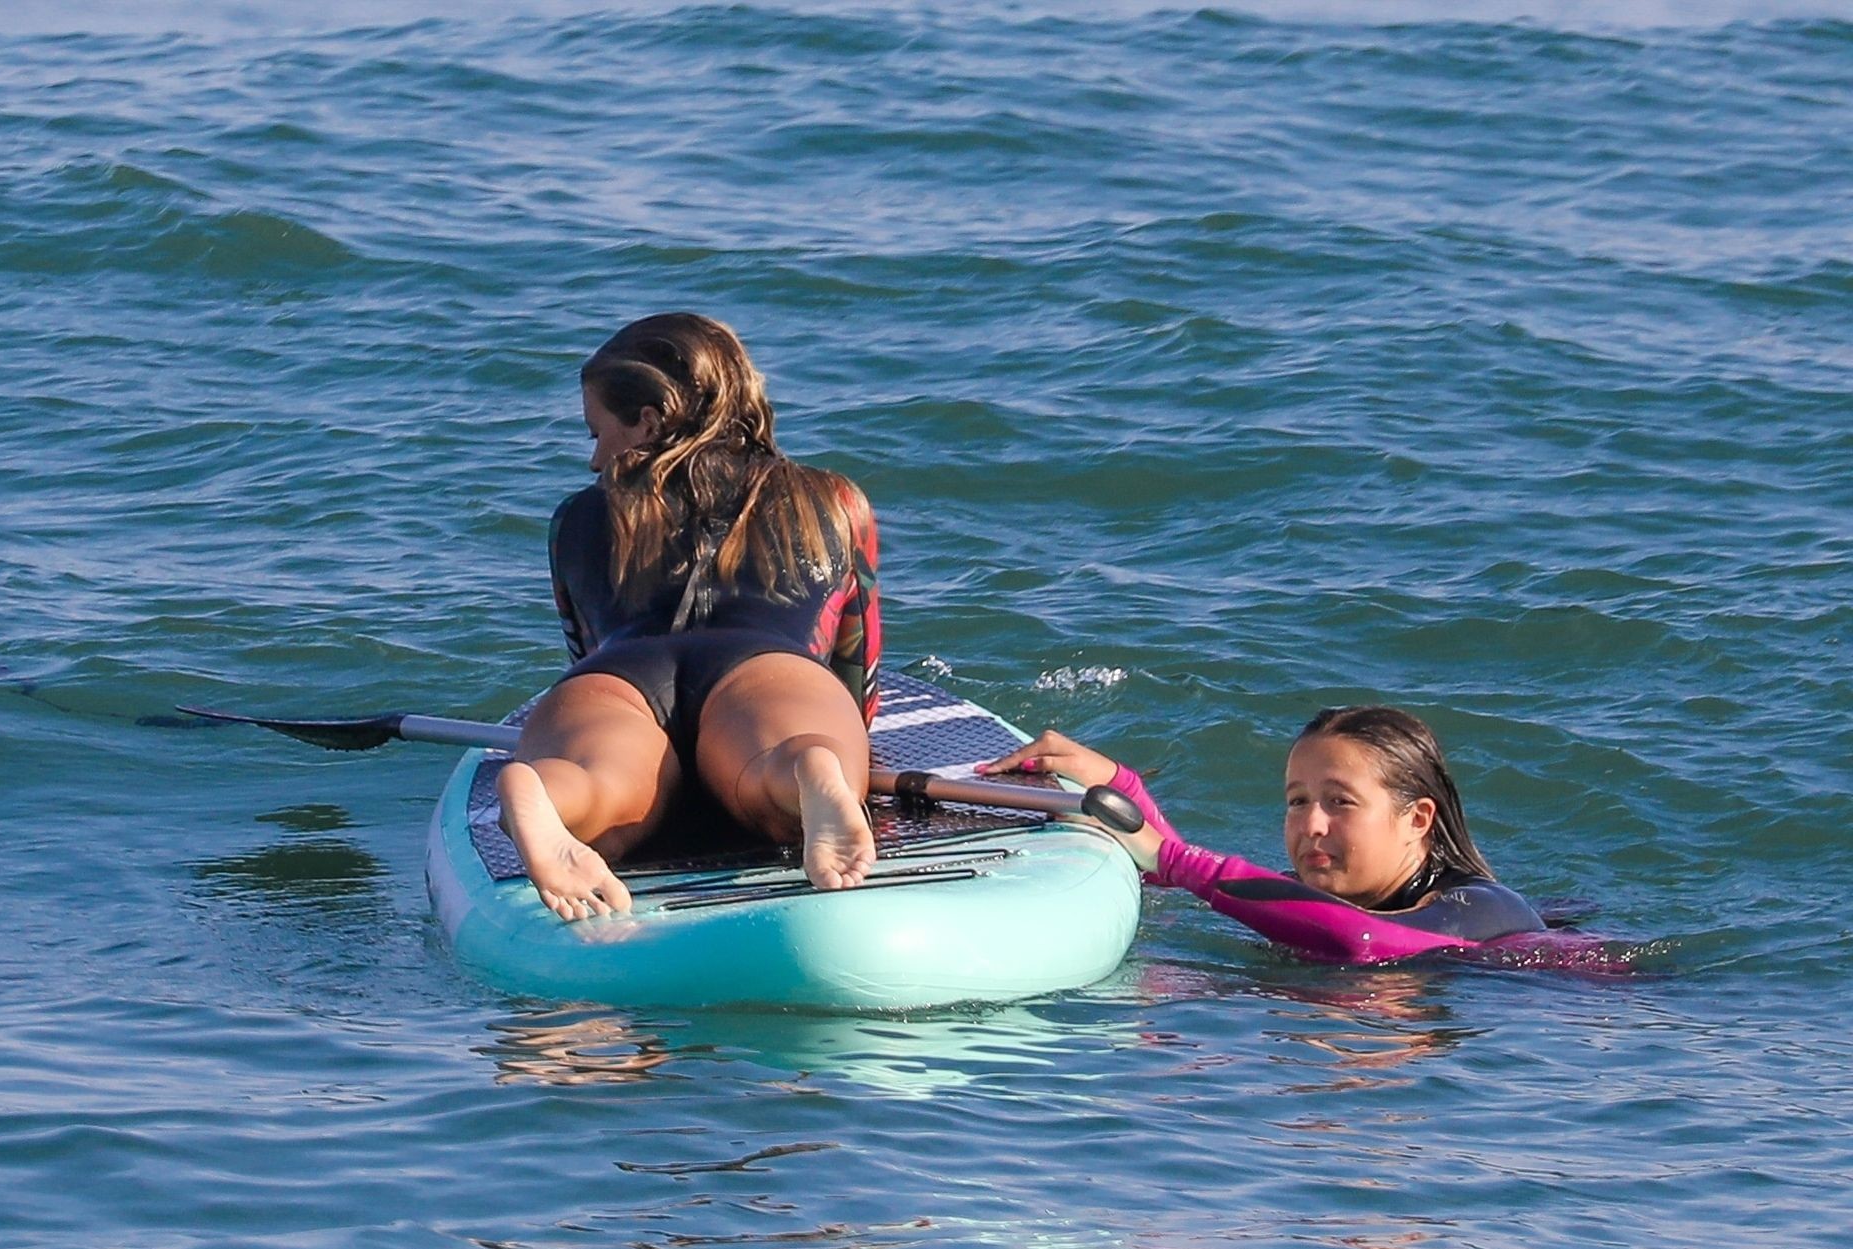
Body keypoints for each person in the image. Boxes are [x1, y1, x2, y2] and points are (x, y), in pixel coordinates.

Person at [497, 313, 882, 923]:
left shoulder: (578, 516)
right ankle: (806, 769)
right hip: (767, 671)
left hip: (616, 678)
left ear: (648, 422)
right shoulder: (831, 500)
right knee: (779, 772)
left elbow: (583, 650)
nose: (595, 460)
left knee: (600, 782)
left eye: (597, 434)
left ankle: (546, 790)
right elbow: (856, 665)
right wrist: (841, 735)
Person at [978, 706, 1546, 963]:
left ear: (1417, 820)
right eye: (1298, 801)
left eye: (1340, 802)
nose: (1312, 825)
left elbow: (1366, 942)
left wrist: (1169, 857)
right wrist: (1117, 785)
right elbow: (1177, 877)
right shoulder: (1318, 896)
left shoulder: (1485, 910)